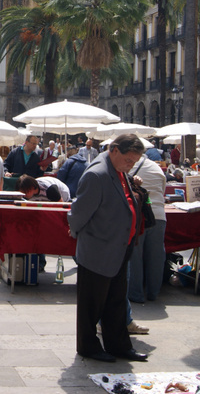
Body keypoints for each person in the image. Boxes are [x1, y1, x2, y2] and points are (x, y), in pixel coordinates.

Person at [67, 133, 148, 363]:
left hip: (118, 247)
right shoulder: (97, 174)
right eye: (129, 160)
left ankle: (118, 345)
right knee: (91, 305)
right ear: (114, 150)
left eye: (134, 162)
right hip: (98, 249)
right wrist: (80, 236)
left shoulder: (118, 170)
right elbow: (79, 213)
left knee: (116, 301)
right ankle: (88, 347)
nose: (131, 165)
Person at [128, 154, 167, 305]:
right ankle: (153, 292)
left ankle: (135, 293)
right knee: (156, 256)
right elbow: (162, 190)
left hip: (139, 215)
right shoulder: (157, 168)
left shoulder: (129, 166)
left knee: (135, 256)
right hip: (158, 214)